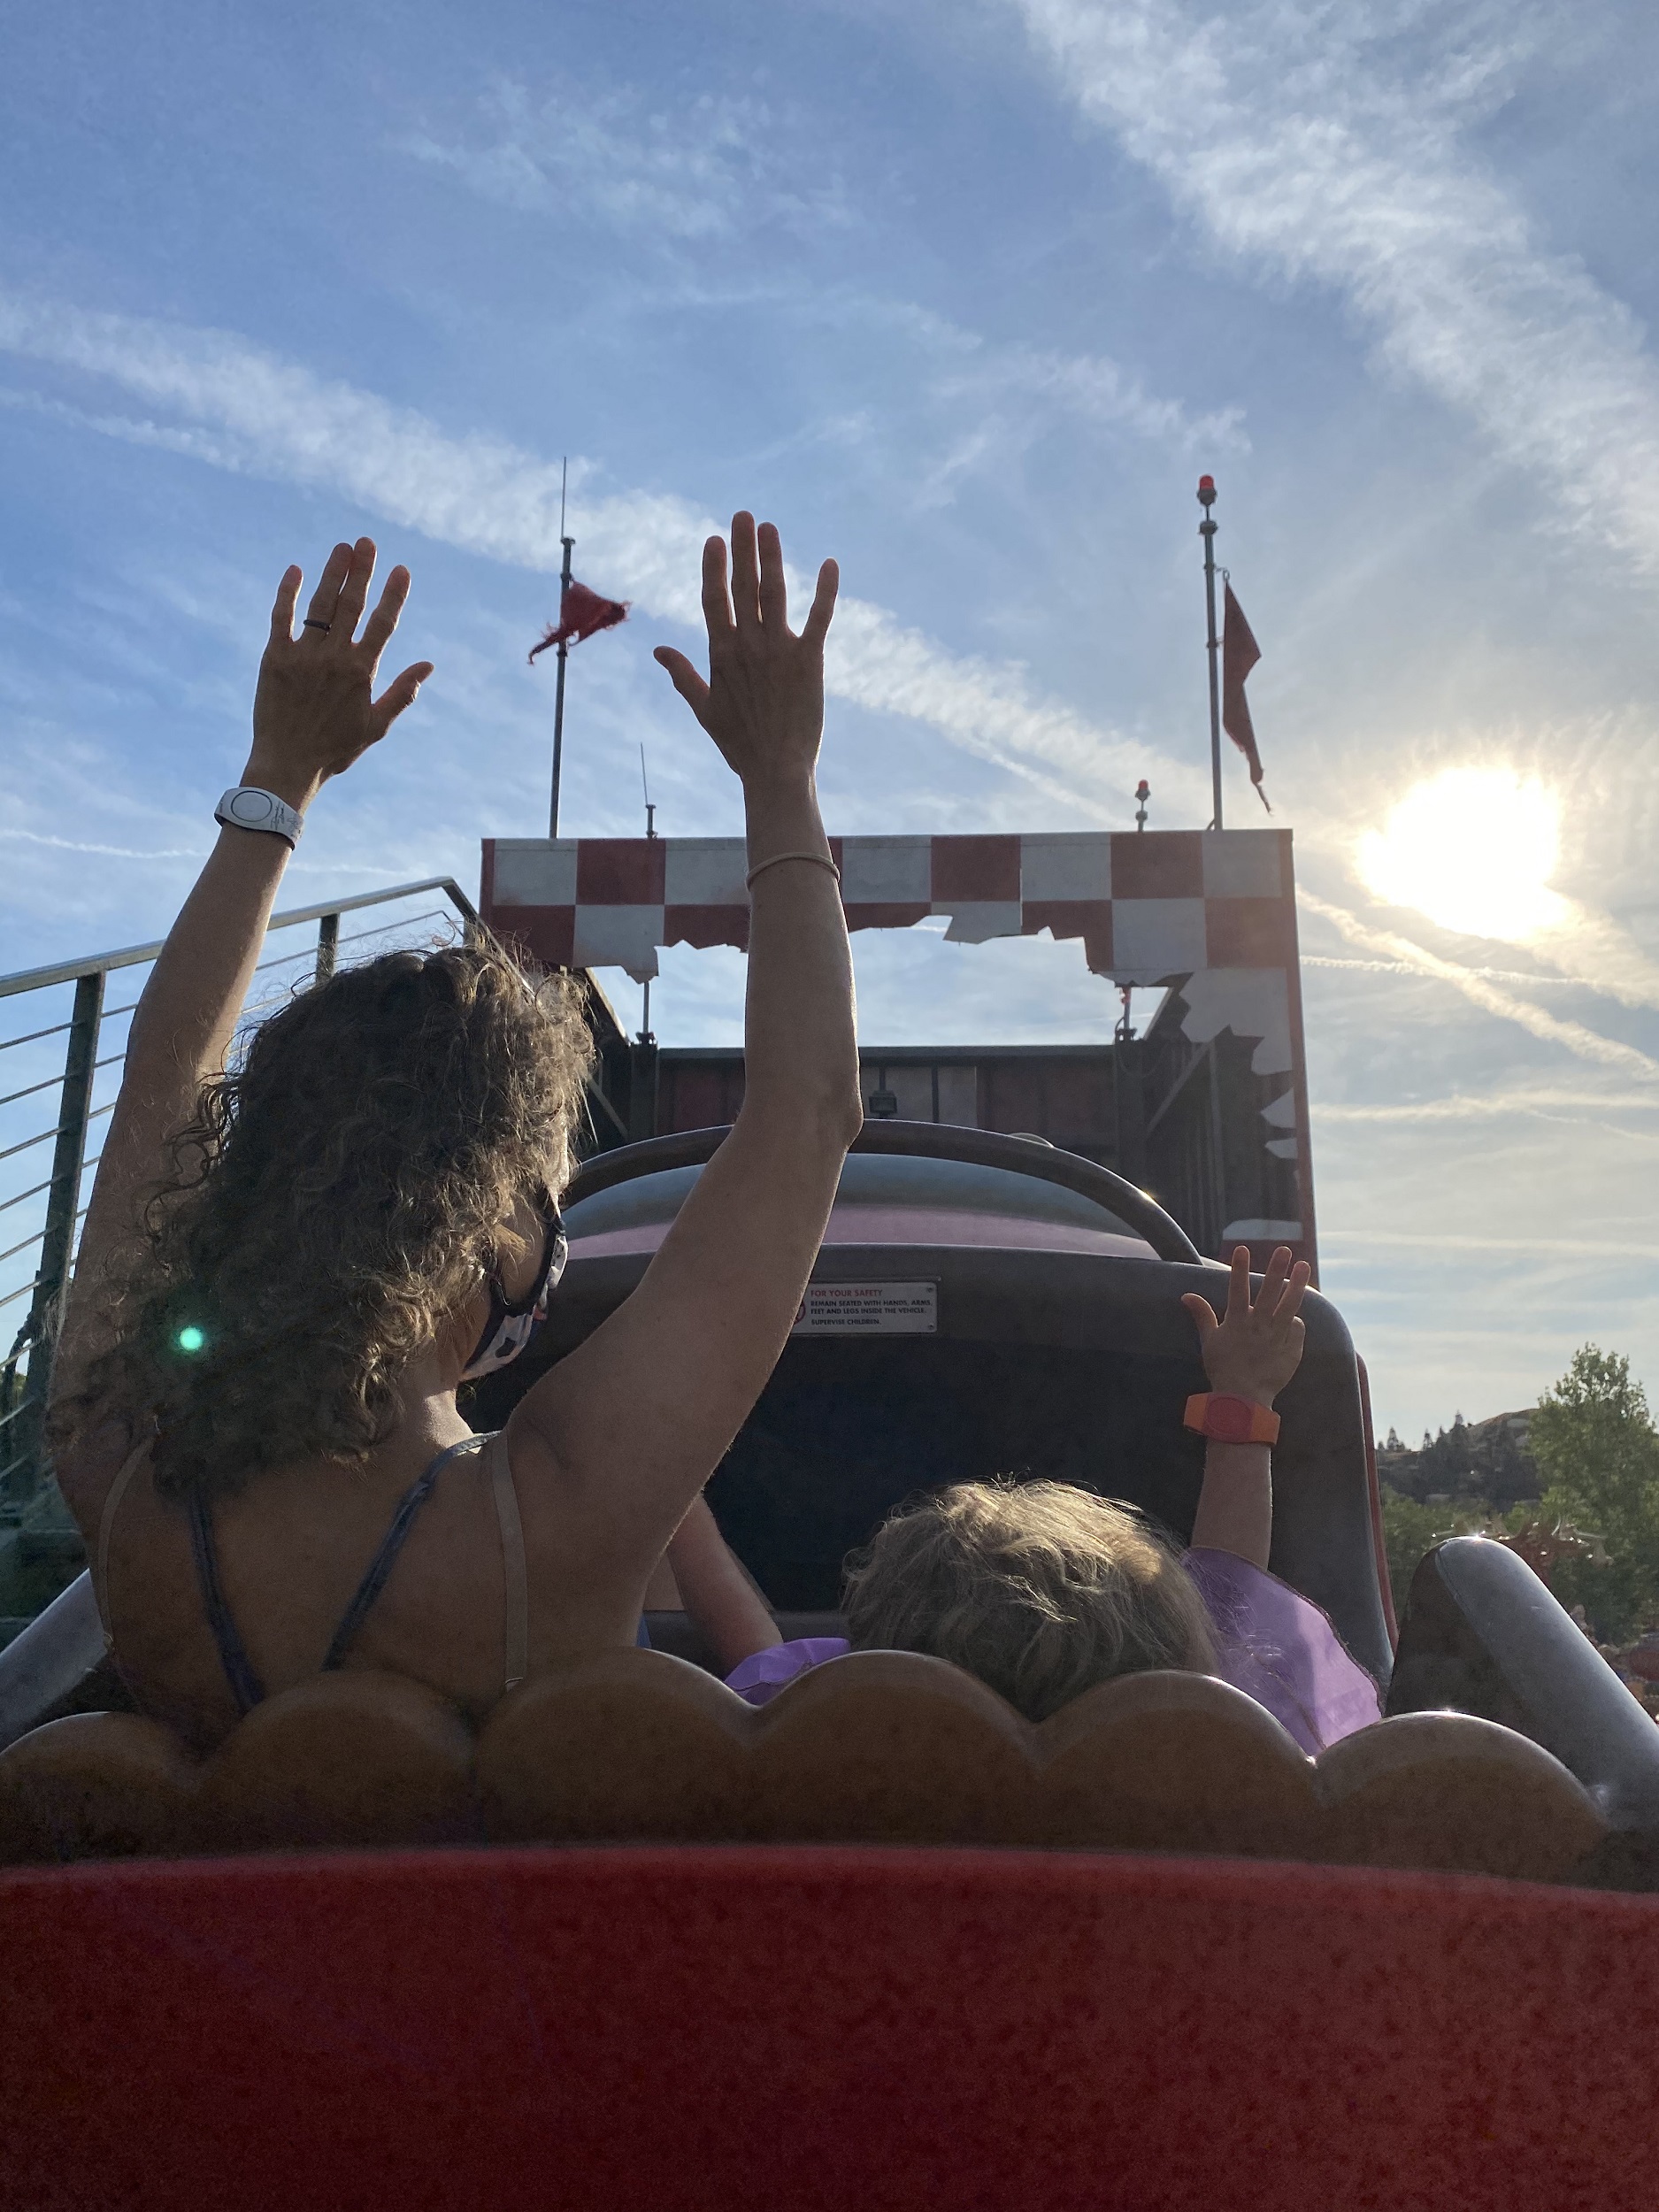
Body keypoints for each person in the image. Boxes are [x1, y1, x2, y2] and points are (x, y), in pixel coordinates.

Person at [50, 518, 862, 1750]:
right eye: (547, 1187)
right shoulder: (557, 1513)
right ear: (493, 1228)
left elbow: (157, 1088)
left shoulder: (116, 1468)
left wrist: (277, 780)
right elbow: (810, 1114)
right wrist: (779, 774)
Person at [682, 1247, 1382, 1754]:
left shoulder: (814, 1756)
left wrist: (663, 1467)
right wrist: (1244, 1398)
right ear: (1178, 1659)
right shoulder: (1220, 1757)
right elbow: (1229, 1581)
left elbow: (751, 1648)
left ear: (875, 1657)